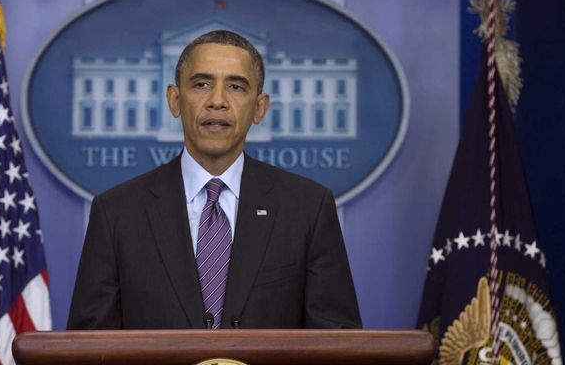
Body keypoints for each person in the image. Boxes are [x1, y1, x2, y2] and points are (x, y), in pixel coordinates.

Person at [67, 30, 361, 330]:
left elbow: (337, 344)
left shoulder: (308, 209)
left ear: (259, 107)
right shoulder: (116, 212)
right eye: (202, 84)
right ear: (175, 99)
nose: (217, 101)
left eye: (235, 86)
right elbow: (90, 347)